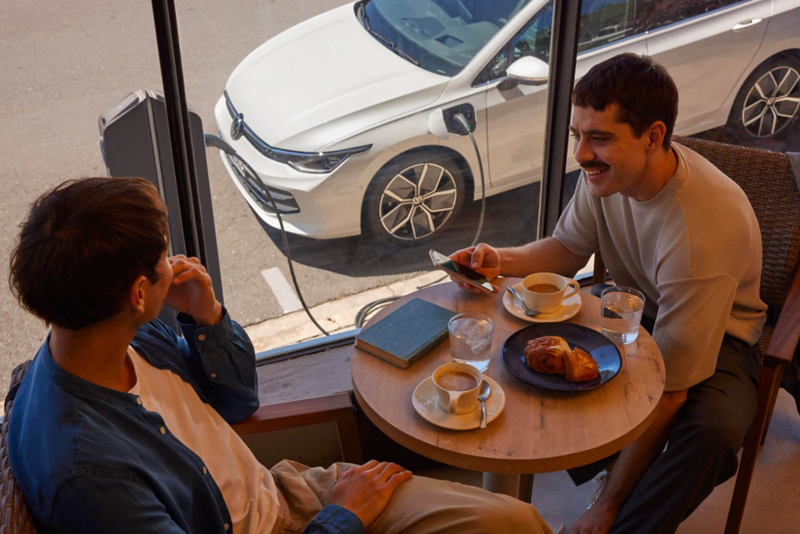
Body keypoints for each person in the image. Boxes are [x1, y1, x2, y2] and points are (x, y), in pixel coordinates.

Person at [7, 177, 551, 534]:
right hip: (302, 521)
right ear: (138, 293)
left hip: (285, 492)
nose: (175, 261)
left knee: (517, 522)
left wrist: (208, 316)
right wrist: (343, 515)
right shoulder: (91, 476)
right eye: (163, 256)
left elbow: (239, 399)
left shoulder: (110, 340)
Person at [450, 53, 767, 534]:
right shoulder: (609, 175)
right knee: (530, 346)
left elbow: (672, 392)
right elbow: (564, 249)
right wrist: (499, 261)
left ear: (653, 136)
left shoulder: (702, 229)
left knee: (711, 434)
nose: (580, 155)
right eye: (579, 135)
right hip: (630, 308)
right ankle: (595, 469)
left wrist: (608, 508)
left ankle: (617, 518)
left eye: (599, 138)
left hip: (722, 336)